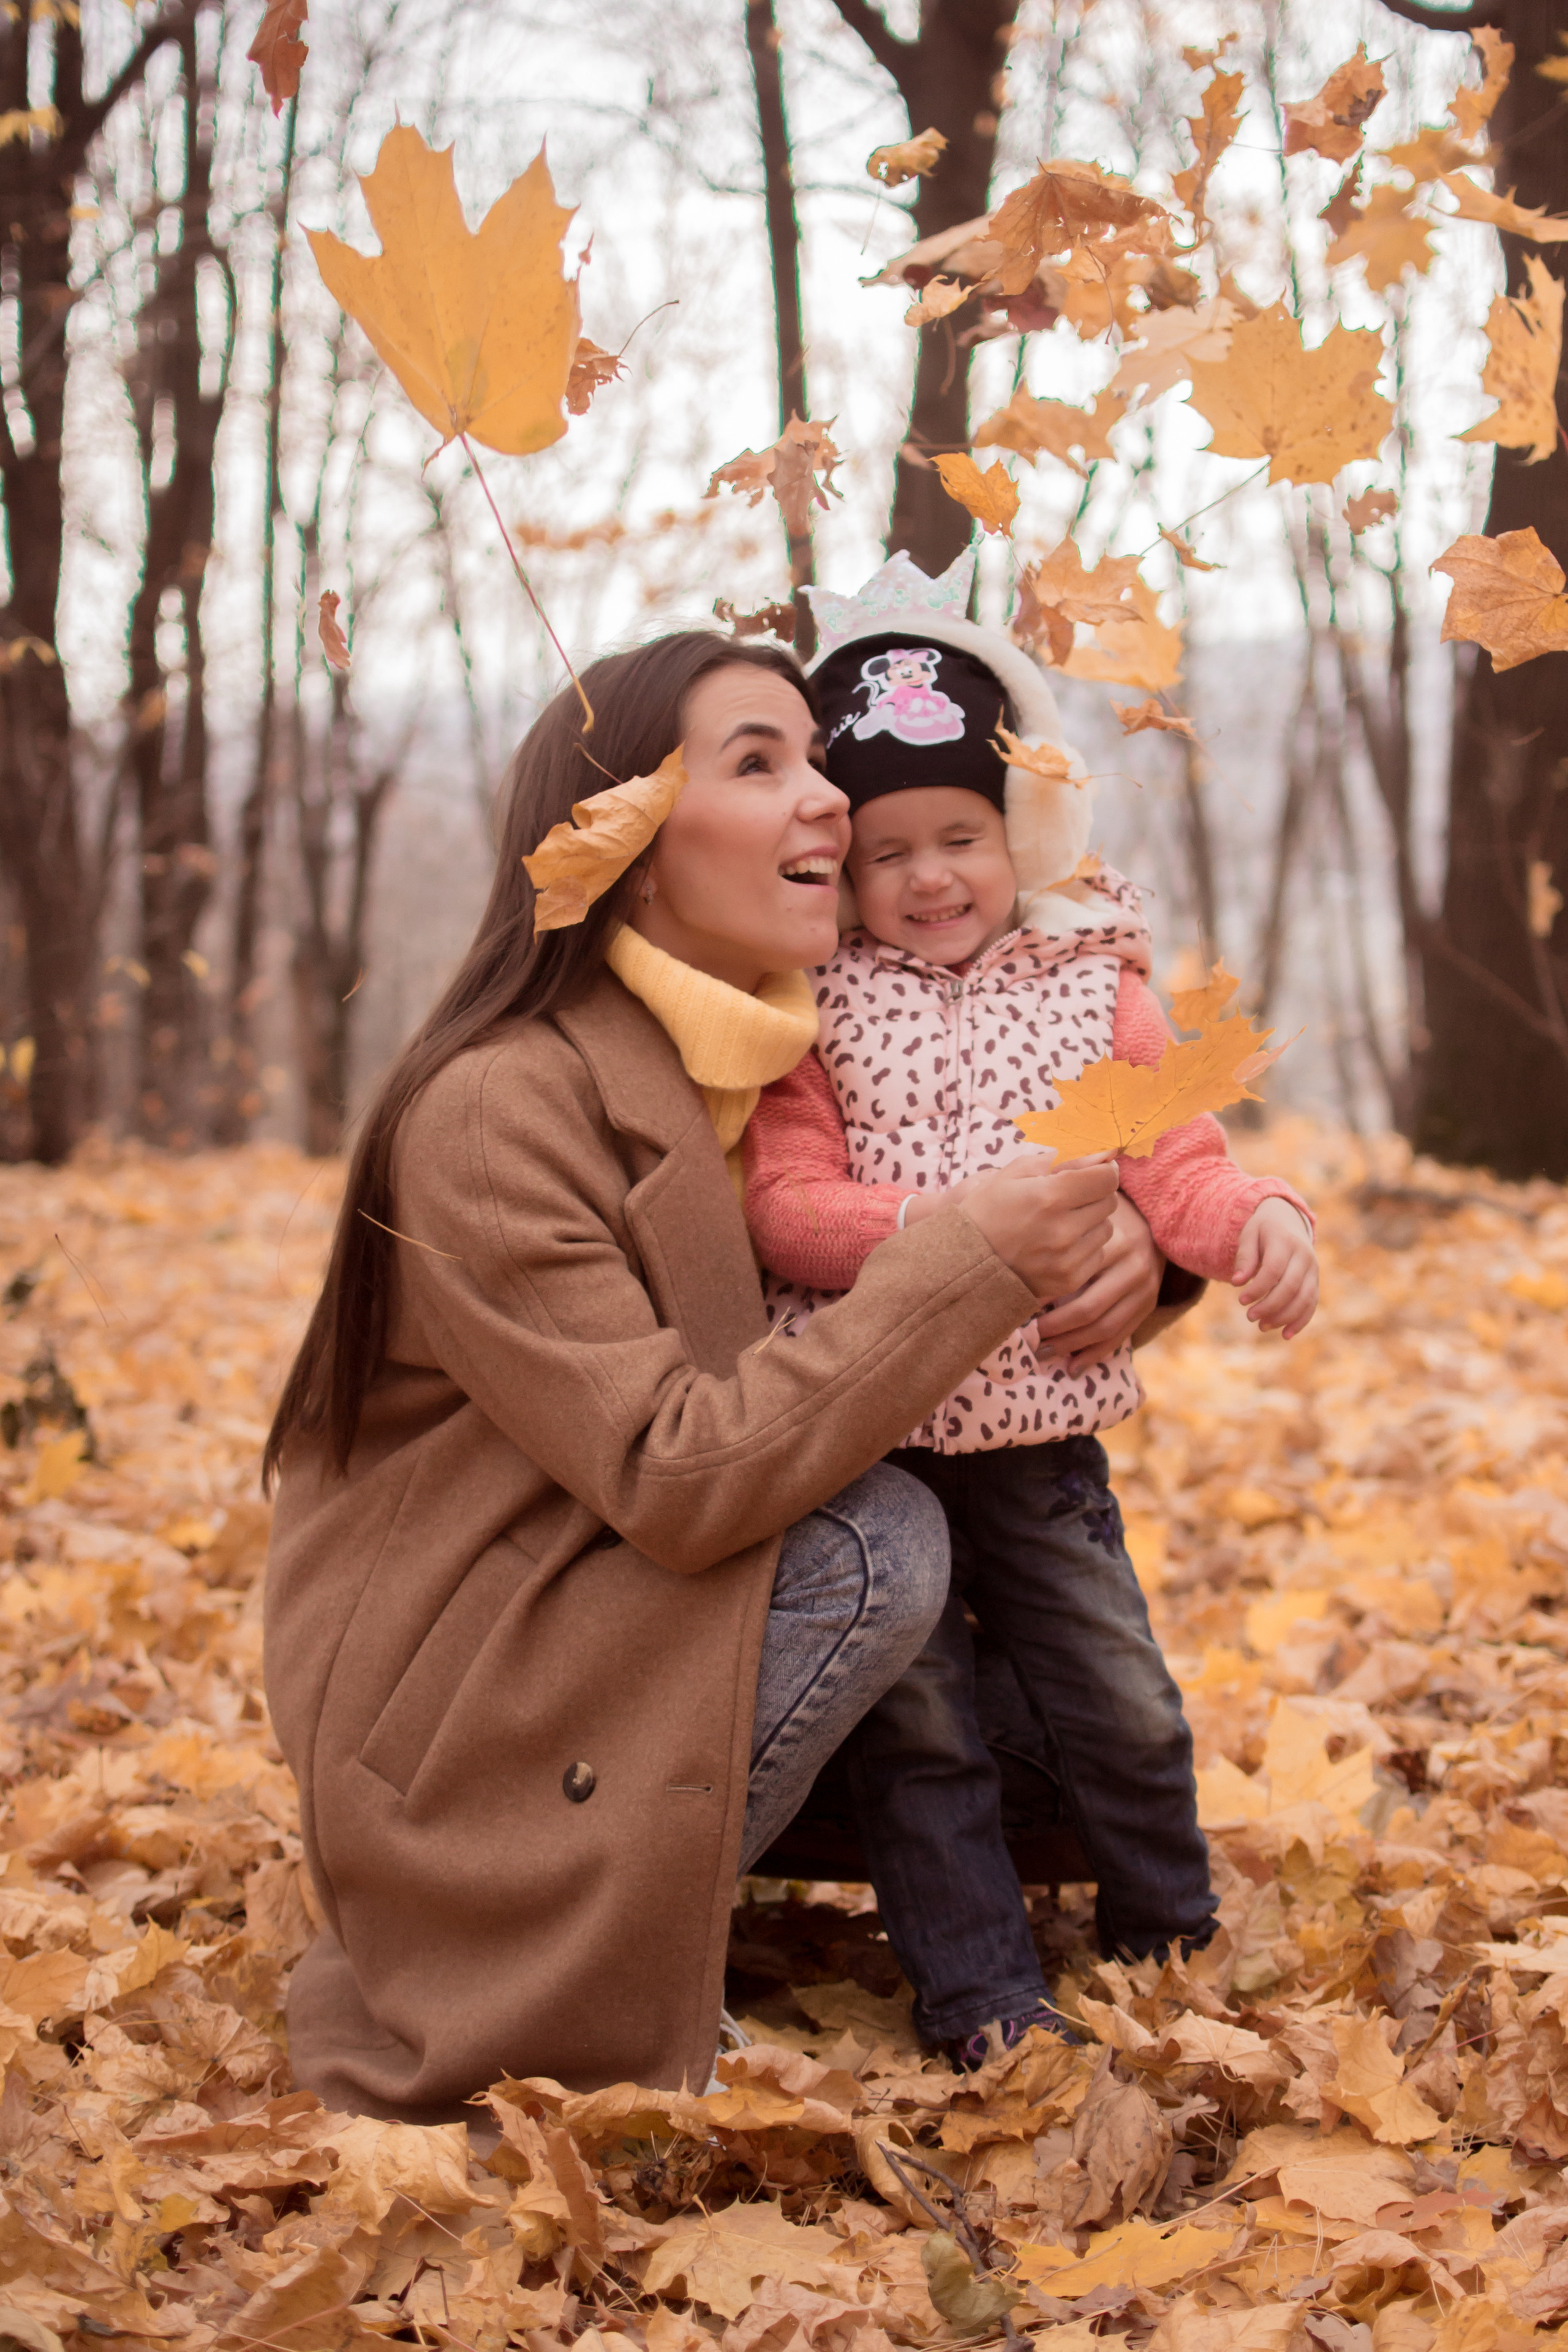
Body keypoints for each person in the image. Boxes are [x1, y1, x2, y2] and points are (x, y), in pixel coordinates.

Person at [261, 628, 1137, 2123]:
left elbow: (909, 1275)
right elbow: (677, 1473)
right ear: (629, 851)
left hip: (622, 1603)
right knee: (877, 1543)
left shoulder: (761, 1060)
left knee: (1080, 1719)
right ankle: (578, 1949)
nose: (830, 800)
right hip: (474, 1696)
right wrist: (974, 1253)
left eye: (818, 760)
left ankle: (710, 1873)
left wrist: (1136, 1254)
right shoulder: (499, 1103)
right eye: (757, 763)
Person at [743, 551, 1319, 2067]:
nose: (928, 877)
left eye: (961, 836)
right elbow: (783, 1206)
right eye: (887, 852)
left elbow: (1175, 1156)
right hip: (872, 1438)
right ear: (841, 864)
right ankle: (982, 1998)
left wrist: (1252, 1220)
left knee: (1117, 1695)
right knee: (920, 1737)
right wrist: (942, 1234)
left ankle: (1166, 1938)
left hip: (1044, 1438)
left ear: (1020, 827)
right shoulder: (813, 1008)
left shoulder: (1091, 986)